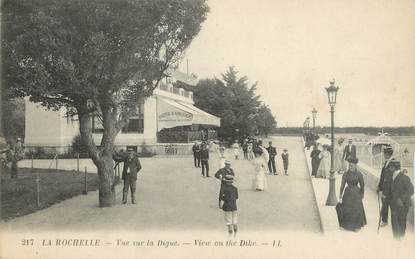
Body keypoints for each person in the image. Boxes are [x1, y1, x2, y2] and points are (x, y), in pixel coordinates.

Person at [383, 161, 414, 239]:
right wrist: (384, 194)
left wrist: (401, 199)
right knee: (395, 222)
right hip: (394, 205)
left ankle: (400, 239)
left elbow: (411, 191)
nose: (389, 169)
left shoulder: (405, 178)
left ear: (394, 168)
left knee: (401, 222)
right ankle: (397, 240)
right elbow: (390, 190)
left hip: (403, 205)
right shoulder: (392, 177)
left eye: (390, 167)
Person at [339, 158, 367, 231]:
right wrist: (340, 193)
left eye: (352, 165)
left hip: (356, 193)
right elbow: (342, 184)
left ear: (355, 166)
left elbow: (362, 184)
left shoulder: (359, 174)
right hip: (348, 192)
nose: (350, 167)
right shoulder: (345, 174)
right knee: (347, 208)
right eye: (349, 165)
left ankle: (356, 226)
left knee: (356, 209)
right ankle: (345, 225)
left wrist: (362, 193)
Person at [376, 146, 394, 227]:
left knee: (390, 205)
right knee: (384, 205)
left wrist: (386, 191)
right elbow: (382, 176)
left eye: (384, 153)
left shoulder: (393, 163)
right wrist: (379, 187)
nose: (383, 155)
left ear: (387, 154)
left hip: (390, 190)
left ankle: (387, 221)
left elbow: (390, 179)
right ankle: (384, 221)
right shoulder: (386, 162)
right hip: (384, 189)